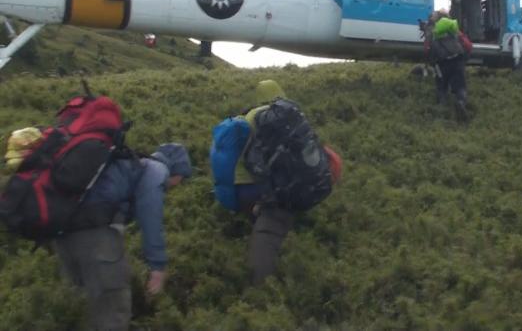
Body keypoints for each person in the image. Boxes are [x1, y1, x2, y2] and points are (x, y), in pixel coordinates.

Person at [211, 80, 342, 284]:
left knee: (265, 221)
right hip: (272, 186)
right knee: (275, 217)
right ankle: (264, 278)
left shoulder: (247, 118)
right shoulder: (289, 115)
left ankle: (256, 275)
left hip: (242, 189)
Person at [53, 143, 192, 331]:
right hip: (93, 231)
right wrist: (158, 268)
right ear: (177, 170)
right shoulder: (156, 171)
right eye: (181, 178)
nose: (177, 185)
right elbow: (151, 220)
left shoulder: (131, 166)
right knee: (113, 311)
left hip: (63, 231)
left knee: (80, 303)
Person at [426, 14, 473, 121]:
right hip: (457, 61)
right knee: (460, 86)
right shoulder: (454, 32)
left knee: (441, 87)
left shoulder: (433, 35)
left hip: (442, 64)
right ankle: (461, 102)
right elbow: (468, 46)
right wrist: (464, 59)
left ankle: (442, 111)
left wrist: (433, 64)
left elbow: (429, 53)